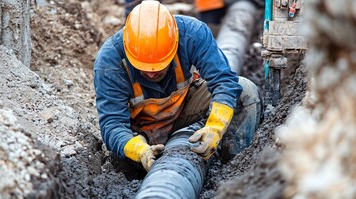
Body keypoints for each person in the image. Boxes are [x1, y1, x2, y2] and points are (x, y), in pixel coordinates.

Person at [94, 1, 262, 173]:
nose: (151, 74)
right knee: (124, 155)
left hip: (184, 111)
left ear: (174, 44)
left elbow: (224, 81)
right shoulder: (109, 61)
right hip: (142, 133)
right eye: (144, 67)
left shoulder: (192, 34)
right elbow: (112, 124)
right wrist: (138, 150)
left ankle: (233, 169)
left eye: (160, 66)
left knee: (245, 92)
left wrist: (216, 126)